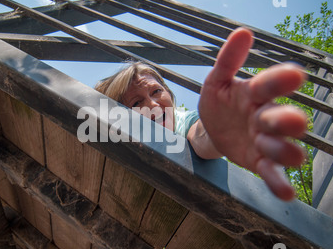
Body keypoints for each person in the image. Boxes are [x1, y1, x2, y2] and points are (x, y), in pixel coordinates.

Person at [95, 27, 307, 201]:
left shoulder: (182, 121)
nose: (152, 104)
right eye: (137, 102)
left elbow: (200, 136)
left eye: (156, 91)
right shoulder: (111, 148)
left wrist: (218, 131)